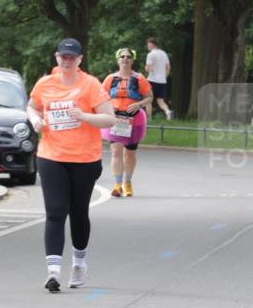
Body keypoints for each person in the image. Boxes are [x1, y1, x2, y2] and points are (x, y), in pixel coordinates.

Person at [27, 38, 115, 293]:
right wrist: (35, 120)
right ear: (57, 58)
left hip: (84, 159)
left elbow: (109, 119)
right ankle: (53, 272)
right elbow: (32, 106)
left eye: (71, 57)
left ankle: (79, 263)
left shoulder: (90, 85)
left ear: (79, 60)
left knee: (78, 213)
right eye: (63, 56)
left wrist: (83, 116)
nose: (67, 61)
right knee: (55, 211)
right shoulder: (45, 83)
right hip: (51, 155)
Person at [101, 48, 152, 197]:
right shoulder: (110, 79)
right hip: (115, 119)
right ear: (118, 60)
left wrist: (139, 104)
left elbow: (149, 97)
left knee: (129, 153)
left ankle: (128, 182)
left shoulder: (139, 78)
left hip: (133, 119)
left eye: (128, 57)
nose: (125, 59)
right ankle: (117, 185)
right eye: (122, 56)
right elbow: (100, 96)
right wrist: (107, 106)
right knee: (116, 152)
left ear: (132, 60)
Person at [144, 36, 172, 119]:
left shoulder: (150, 54)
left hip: (152, 80)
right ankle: (168, 112)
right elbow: (168, 67)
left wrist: (147, 68)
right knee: (161, 101)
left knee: (148, 100)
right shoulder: (163, 53)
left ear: (152, 44)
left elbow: (148, 68)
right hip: (162, 81)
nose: (147, 46)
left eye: (148, 44)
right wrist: (165, 76)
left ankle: (149, 118)